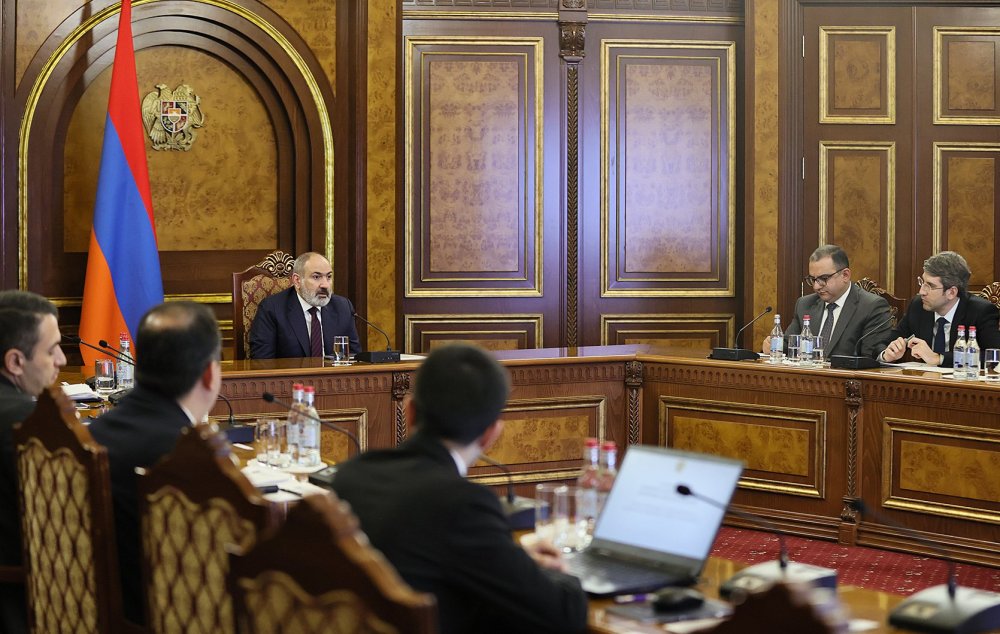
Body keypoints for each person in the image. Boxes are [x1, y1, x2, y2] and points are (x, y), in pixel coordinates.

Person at [332, 343, 588, 634]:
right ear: (491, 435)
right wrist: (562, 572)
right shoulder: (463, 505)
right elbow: (564, 613)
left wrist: (513, 557)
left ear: (410, 411)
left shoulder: (352, 475)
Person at [89, 301, 222, 626]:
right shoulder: (187, 456)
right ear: (209, 374)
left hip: (91, 610)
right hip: (159, 616)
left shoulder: (94, 433)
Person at [0, 291, 66, 634]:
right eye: (52, 350)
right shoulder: (31, 421)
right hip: (22, 602)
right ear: (15, 362)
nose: (62, 360)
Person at [762, 245, 893, 358]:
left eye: (823, 278)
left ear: (845, 275)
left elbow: (872, 357)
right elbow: (788, 345)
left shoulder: (871, 306)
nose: (816, 286)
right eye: (813, 279)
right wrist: (772, 346)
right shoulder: (804, 304)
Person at [877, 251, 1000, 366]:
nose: (922, 291)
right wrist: (887, 355)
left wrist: (939, 358)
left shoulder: (980, 311)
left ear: (951, 292)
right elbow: (883, 343)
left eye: (930, 286)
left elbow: (995, 356)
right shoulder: (918, 306)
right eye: (922, 282)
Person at [248, 251, 361, 359]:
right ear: (297, 280)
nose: (325, 285)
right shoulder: (272, 309)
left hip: (333, 373)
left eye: (329, 277)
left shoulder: (343, 307)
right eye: (316, 277)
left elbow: (355, 357)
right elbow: (262, 361)